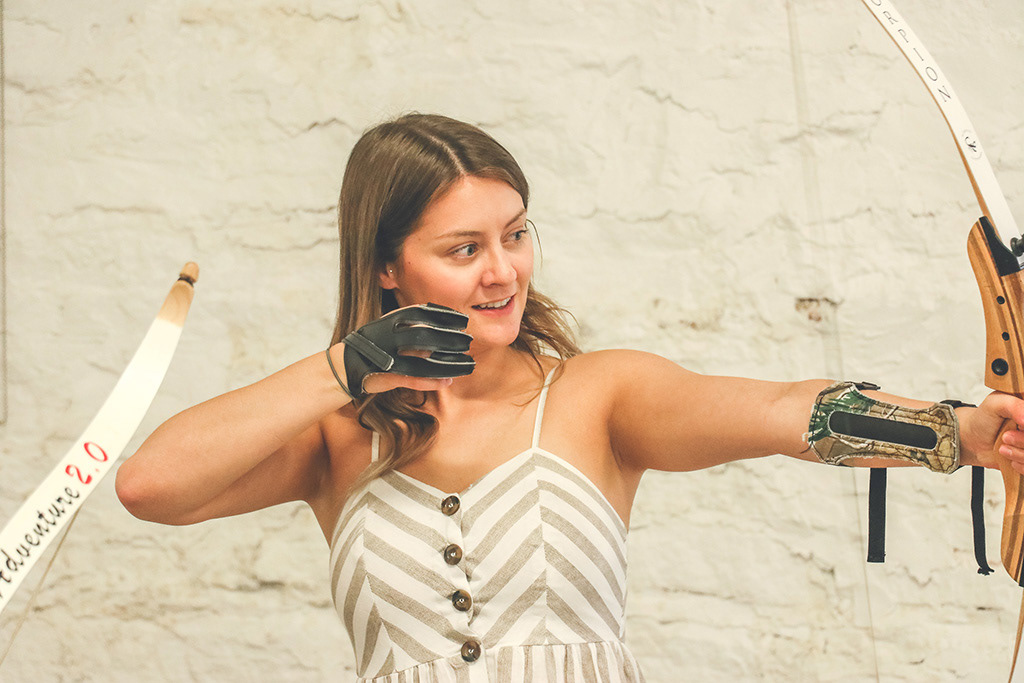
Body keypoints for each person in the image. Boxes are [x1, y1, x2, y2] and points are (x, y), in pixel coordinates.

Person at [115, 113, 1024, 682]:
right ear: (388, 267)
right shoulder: (337, 435)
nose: (503, 271)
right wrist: (344, 369)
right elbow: (148, 486)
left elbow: (794, 412)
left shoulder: (598, 396)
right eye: (464, 249)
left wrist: (961, 430)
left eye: (514, 235)